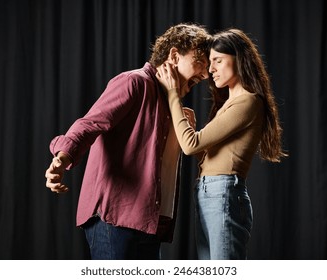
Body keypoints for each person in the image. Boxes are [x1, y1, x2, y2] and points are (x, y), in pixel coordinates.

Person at [44, 23, 211, 260]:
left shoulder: (174, 107)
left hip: (150, 225)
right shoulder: (135, 82)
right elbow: (90, 124)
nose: (205, 74)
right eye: (200, 62)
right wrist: (62, 158)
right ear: (174, 55)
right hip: (115, 221)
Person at [156, 28, 287, 259]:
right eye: (210, 62)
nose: (210, 69)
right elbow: (206, 155)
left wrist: (173, 94)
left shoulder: (247, 101)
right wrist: (190, 129)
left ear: (239, 59)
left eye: (217, 60)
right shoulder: (231, 102)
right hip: (211, 192)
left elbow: (190, 145)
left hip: (223, 192)